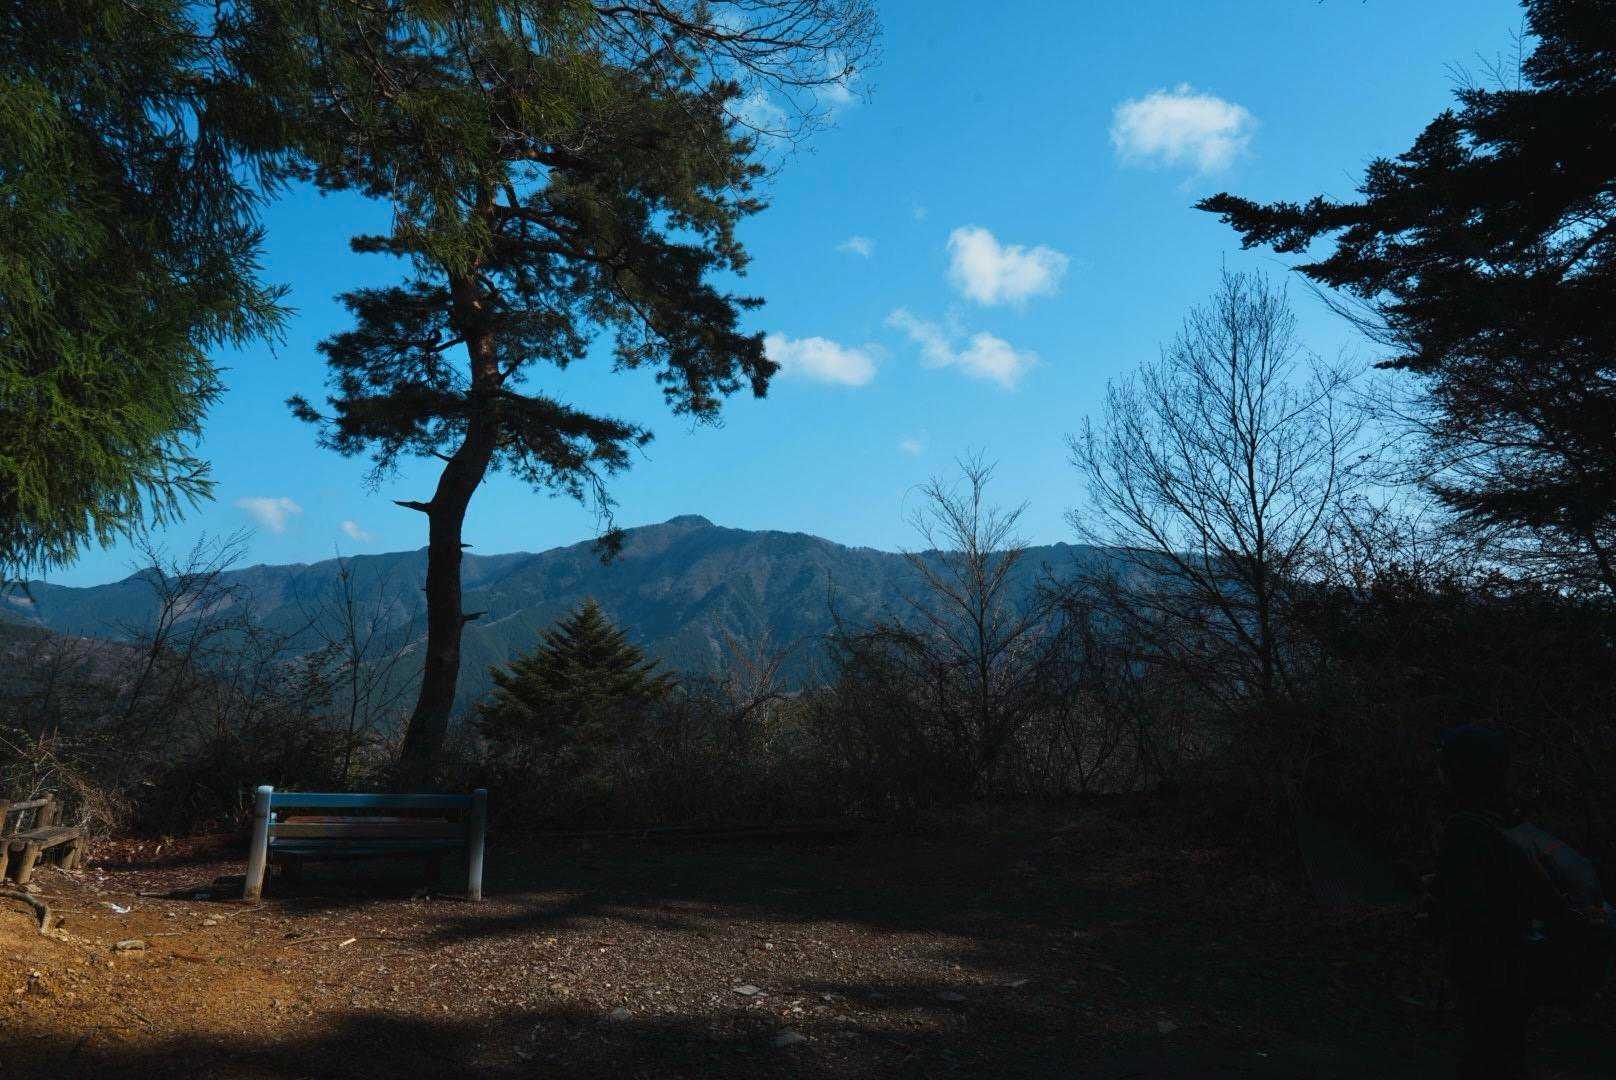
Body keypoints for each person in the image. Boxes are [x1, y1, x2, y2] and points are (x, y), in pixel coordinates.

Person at [1428, 724, 1536, 1080]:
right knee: (1505, 1052)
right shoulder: (1508, 819)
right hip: (1516, 959)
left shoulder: (1464, 828)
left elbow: (1461, 907)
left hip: (1482, 965)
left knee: (1484, 1052)